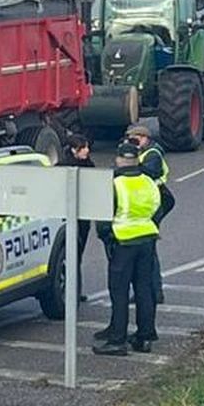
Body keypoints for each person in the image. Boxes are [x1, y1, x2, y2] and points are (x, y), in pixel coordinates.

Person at [94, 144, 162, 356]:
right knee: (144, 289)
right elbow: (160, 204)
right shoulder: (148, 181)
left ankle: (117, 341)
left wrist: (107, 237)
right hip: (147, 239)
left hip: (123, 242)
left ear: (118, 160)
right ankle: (145, 337)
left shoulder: (115, 184)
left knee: (119, 293)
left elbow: (103, 218)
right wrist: (149, 223)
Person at [126, 123, 174, 304]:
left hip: (153, 203)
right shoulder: (143, 153)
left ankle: (154, 291)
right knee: (146, 250)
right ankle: (149, 291)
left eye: (136, 139)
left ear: (145, 138)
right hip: (147, 203)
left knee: (148, 250)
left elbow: (148, 173)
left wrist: (131, 162)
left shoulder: (152, 154)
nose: (133, 142)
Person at [62, 133, 98, 303]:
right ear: (72, 150)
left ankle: (76, 290)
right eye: (82, 148)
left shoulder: (89, 166)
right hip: (67, 218)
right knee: (69, 255)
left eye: (87, 147)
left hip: (83, 217)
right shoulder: (63, 167)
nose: (86, 150)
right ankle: (70, 290)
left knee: (78, 255)